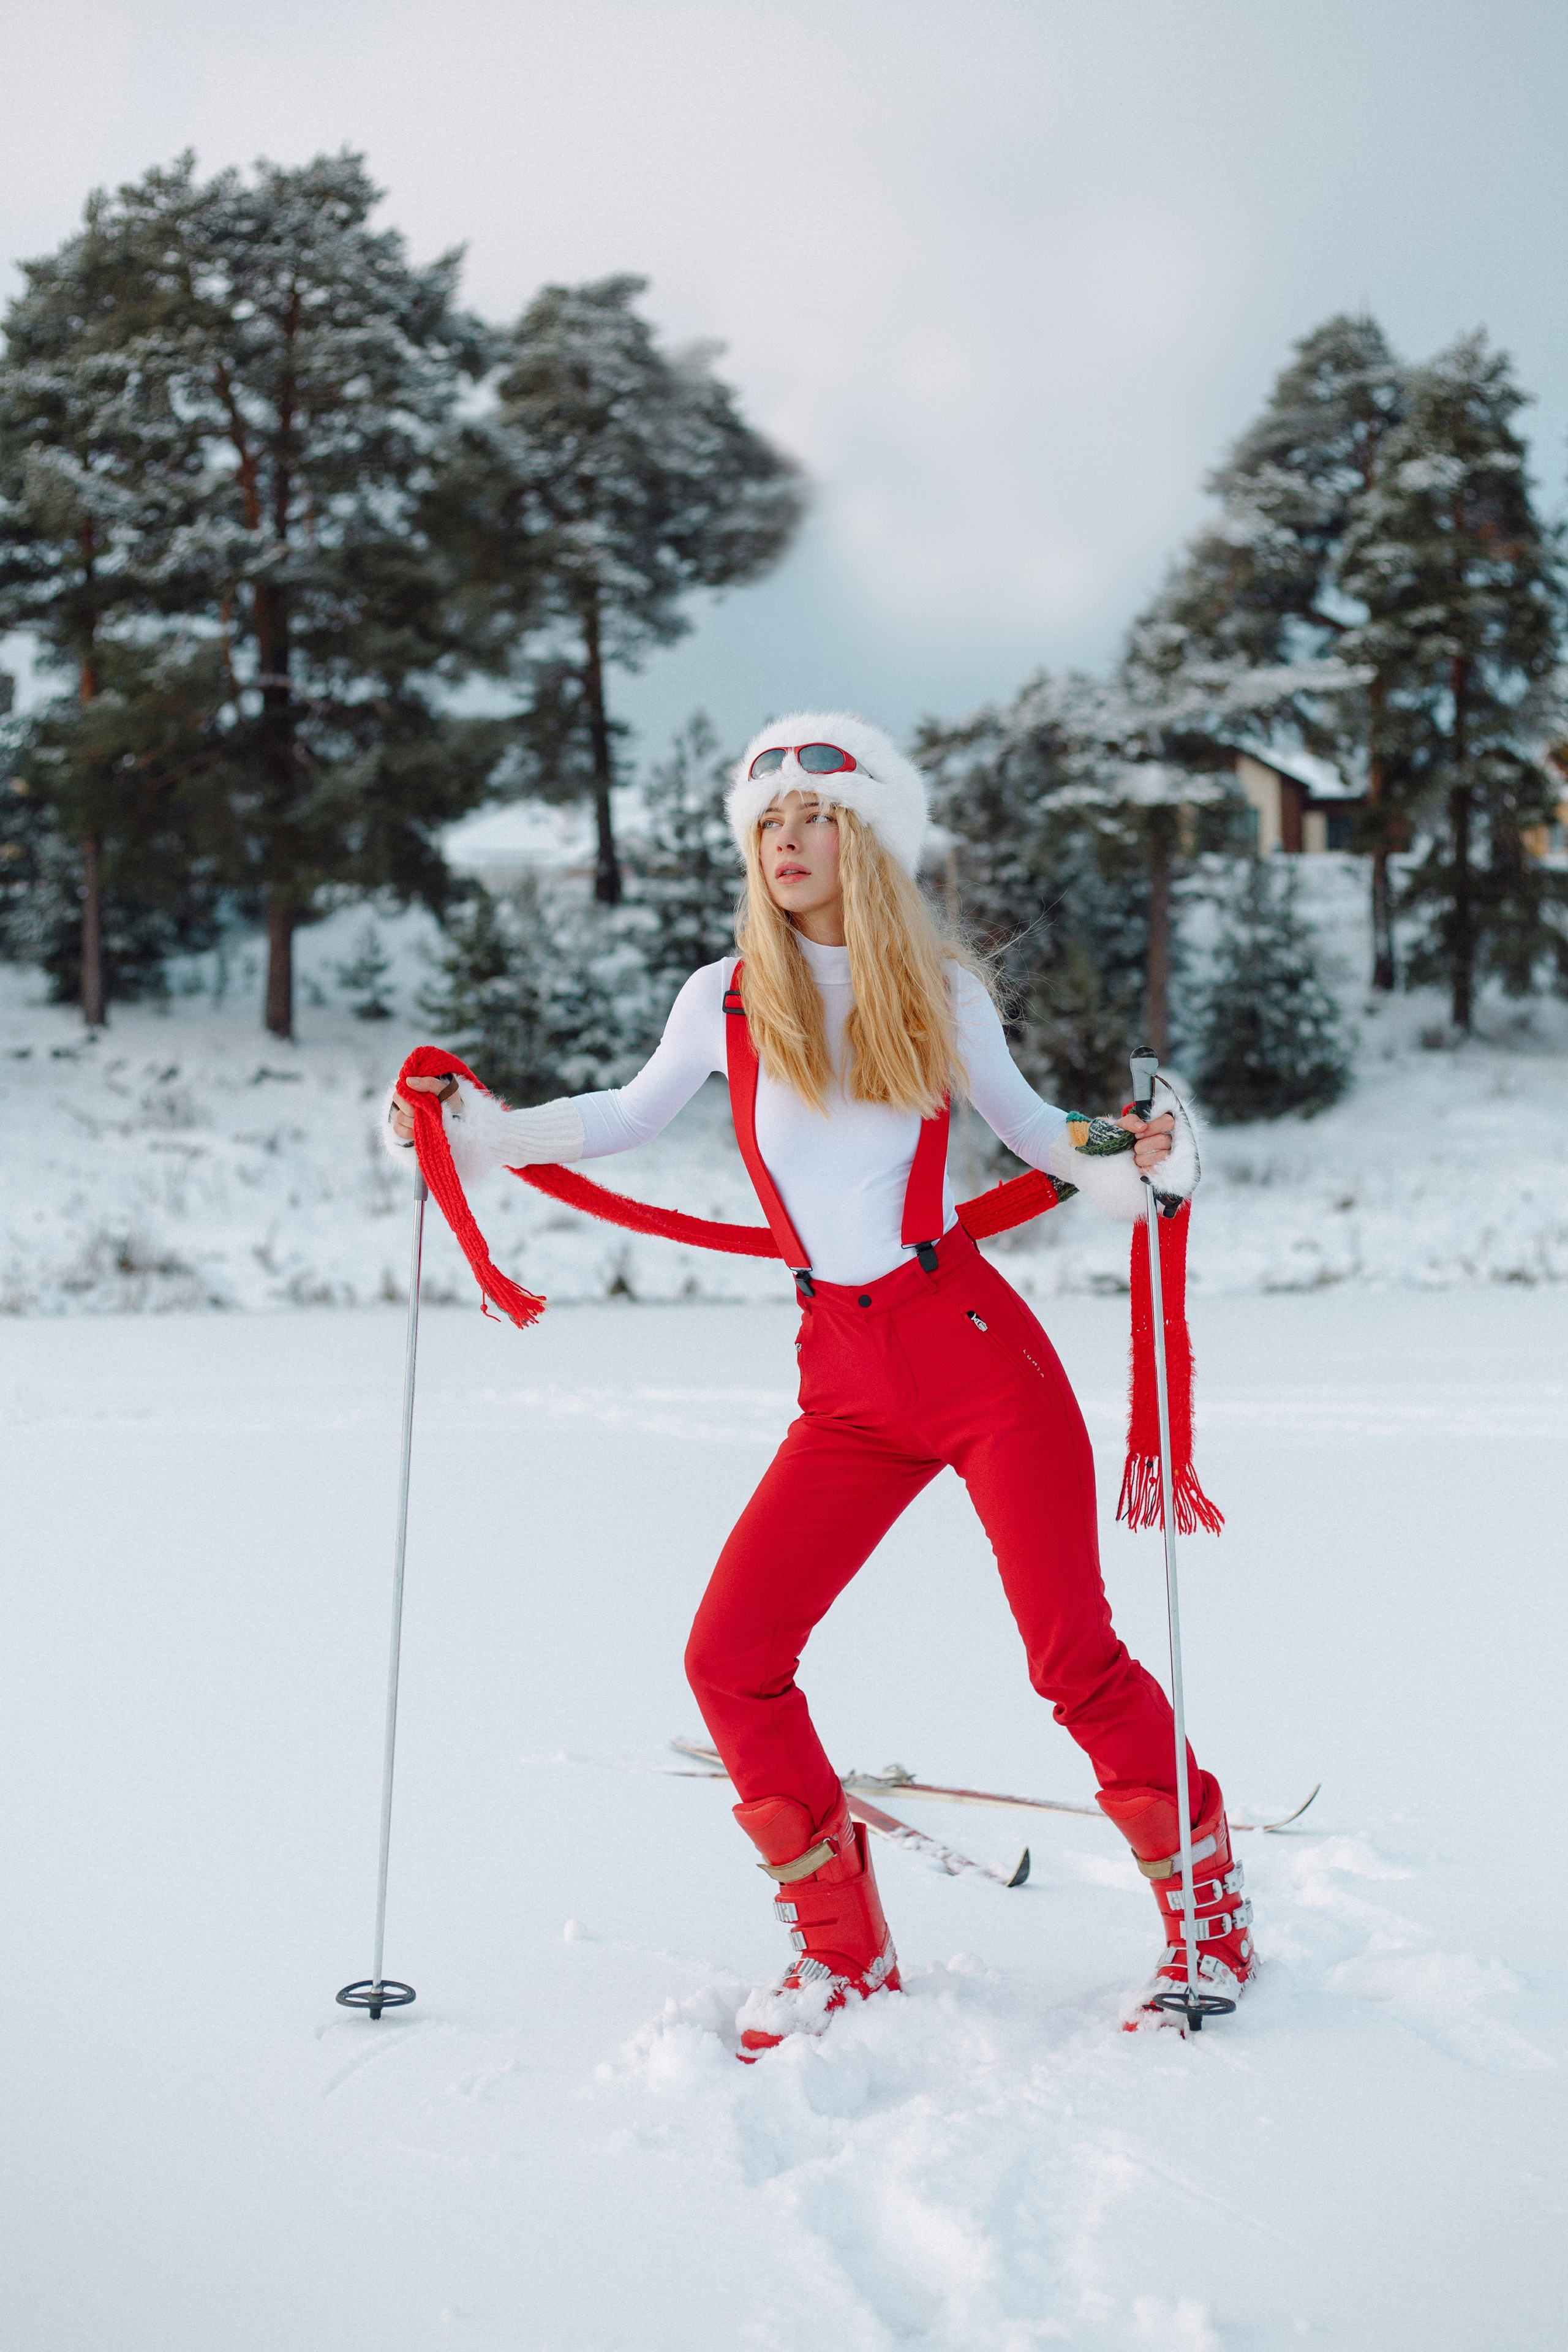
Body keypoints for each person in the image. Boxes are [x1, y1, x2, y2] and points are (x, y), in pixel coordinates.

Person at [389, 712, 1254, 2051]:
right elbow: (624, 1114)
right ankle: (842, 1958)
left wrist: (1131, 1153)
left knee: (1069, 1659)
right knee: (730, 1657)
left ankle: (1209, 1928)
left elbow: (1035, 1130)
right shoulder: (725, 994)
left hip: (973, 1356)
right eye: (768, 827)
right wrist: (476, 1135)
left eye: (816, 823)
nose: (788, 845)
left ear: (864, 843)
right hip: (842, 1380)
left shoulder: (939, 992)